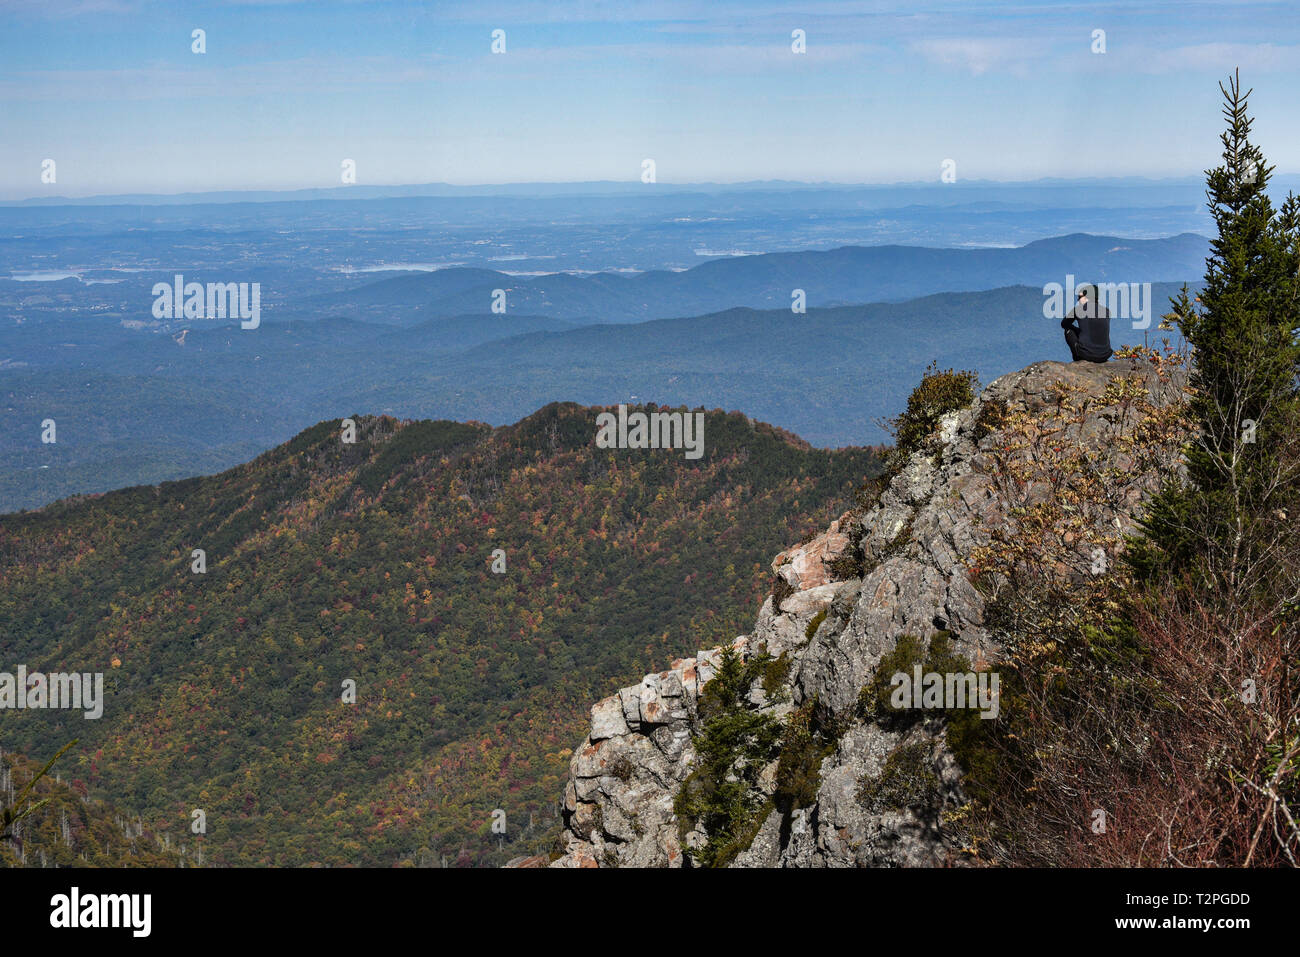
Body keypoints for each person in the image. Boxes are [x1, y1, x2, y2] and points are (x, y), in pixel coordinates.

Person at [1061, 282, 1112, 362]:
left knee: (1068, 331)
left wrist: (1076, 330)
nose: (1078, 300)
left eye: (1079, 297)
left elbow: (1064, 324)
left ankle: (1077, 359)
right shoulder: (1107, 311)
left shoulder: (1078, 309)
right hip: (1105, 355)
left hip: (1086, 355)